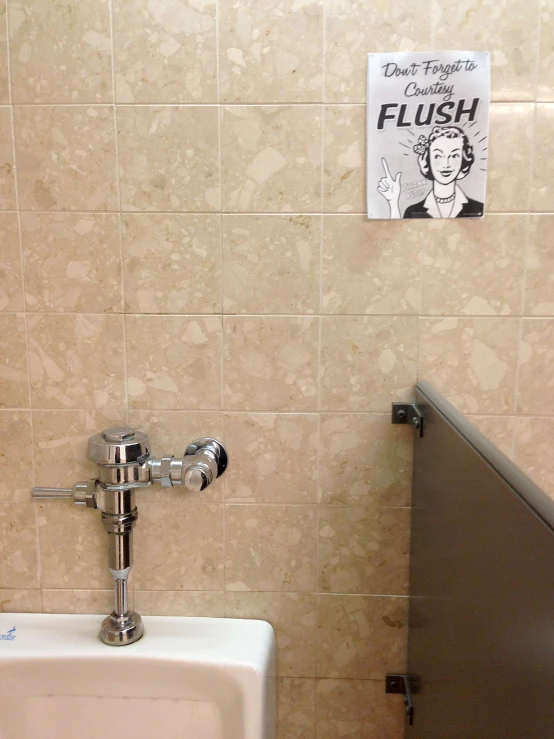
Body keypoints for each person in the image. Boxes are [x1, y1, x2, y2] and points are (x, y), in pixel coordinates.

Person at [377, 125, 483, 219]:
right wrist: (393, 202)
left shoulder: (477, 208)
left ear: (463, 160)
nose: (446, 164)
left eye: (454, 156)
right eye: (438, 156)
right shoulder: (413, 211)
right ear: (427, 160)